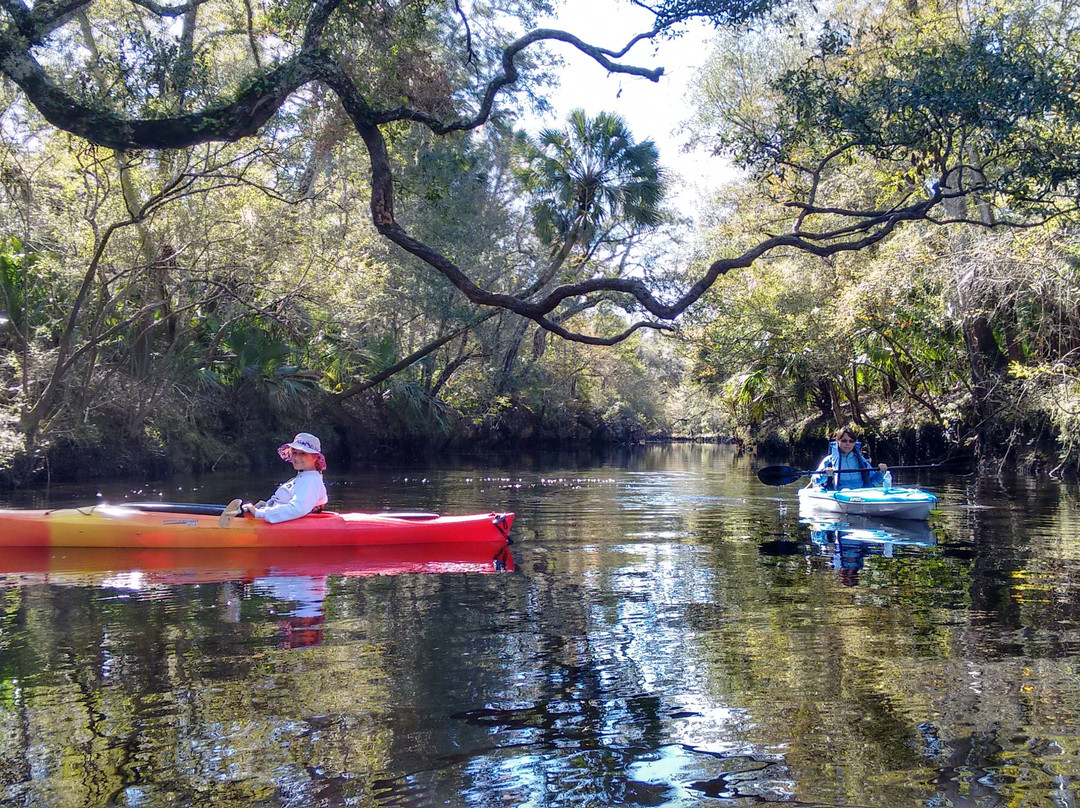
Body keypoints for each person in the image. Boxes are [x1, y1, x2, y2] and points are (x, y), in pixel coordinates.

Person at [239, 432, 329, 523]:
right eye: (294, 453)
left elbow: (297, 509)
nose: (296, 458)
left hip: (280, 525)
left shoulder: (310, 480)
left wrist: (259, 513)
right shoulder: (304, 477)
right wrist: (265, 506)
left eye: (302, 453)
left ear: (315, 458)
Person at [811, 427, 886, 490]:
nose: (848, 444)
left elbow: (873, 480)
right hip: (840, 494)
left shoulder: (861, 460)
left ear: (854, 443)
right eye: (844, 441)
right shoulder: (829, 460)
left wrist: (881, 472)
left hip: (860, 494)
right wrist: (824, 474)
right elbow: (814, 481)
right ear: (837, 441)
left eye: (851, 441)